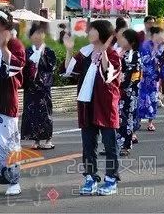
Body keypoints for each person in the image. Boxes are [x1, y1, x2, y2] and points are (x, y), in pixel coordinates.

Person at [63, 20, 121, 196]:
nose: (89, 32)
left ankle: (111, 179)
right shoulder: (85, 53)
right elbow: (68, 70)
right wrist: (68, 49)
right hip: (86, 104)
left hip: (105, 105)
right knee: (88, 145)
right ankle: (90, 177)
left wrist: (103, 51)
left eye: (92, 30)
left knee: (110, 145)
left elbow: (108, 74)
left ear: (102, 33)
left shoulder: (113, 54)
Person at [0, 8, 25, 196]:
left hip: (5, 101)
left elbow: (17, 67)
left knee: (8, 143)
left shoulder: (14, 44)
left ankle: (13, 181)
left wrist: (4, 47)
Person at [21, 23, 57, 150]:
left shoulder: (48, 51)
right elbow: (23, 68)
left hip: (43, 87)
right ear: (31, 36)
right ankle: (35, 140)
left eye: (41, 33)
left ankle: (48, 139)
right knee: (32, 113)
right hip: (31, 88)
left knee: (46, 112)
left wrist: (41, 57)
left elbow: (51, 67)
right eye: (35, 33)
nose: (38, 36)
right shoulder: (27, 51)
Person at [116, 29, 142, 156]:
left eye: (123, 39)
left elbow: (135, 74)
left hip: (129, 92)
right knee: (116, 118)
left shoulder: (135, 54)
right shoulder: (118, 52)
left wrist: (123, 83)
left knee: (127, 118)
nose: (120, 41)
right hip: (116, 91)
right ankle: (114, 144)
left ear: (131, 42)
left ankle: (125, 145)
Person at [137, 27, 164, 131]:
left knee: (153, 98)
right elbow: (143, 59)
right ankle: (138, 121)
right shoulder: (144, 45)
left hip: (154, 76)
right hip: (143, 76)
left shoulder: (160, 46)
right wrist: (154, 54)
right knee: (141, 98)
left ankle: (150, 122)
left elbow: (163, 58)